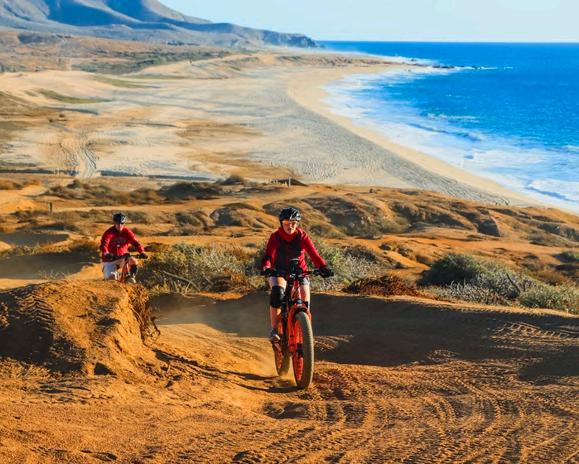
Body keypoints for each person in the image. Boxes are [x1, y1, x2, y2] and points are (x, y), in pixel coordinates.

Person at [260, 207, 333, 341]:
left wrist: (323, 267)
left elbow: (314, 255)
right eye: (287, 223)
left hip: (300, 272)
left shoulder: (302, 236)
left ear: (297, 223)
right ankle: (275, 330)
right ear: (281, 223)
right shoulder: (275, 237)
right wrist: (266, 267)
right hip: (279, 271)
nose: (290, 226)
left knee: (305, 303)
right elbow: (268, 256)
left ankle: (305, 334)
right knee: (278, 293)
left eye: (294, 223)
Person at [100, 212, 147, 283]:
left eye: (122, 223)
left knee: (133, 261)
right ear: (114, 223)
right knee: (111, 280)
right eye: (117, 223)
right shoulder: (109, 232)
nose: (120, 225)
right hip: (110, 260)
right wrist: (106, 253)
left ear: (124, 223)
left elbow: (136, 243)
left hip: (122, 257)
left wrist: (142, 252)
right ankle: (114, 276)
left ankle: (130, 277)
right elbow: (104, 244)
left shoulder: (127, 232)